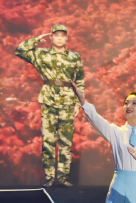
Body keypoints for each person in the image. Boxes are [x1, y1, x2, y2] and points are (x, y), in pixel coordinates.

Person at [15, 25, 85, 187]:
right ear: (51, 38)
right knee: (48, 141)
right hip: (48, 99)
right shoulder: (41, 54)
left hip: (68, 99)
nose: (59, 38)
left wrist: (78, 103)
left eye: (62, 35)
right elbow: (20, 50)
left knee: (66, 141)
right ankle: (49, 177)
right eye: (56, 35)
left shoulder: (74, 56)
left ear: (66, 38)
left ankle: (62, 178)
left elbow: (80, 81)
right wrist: (37, 39)